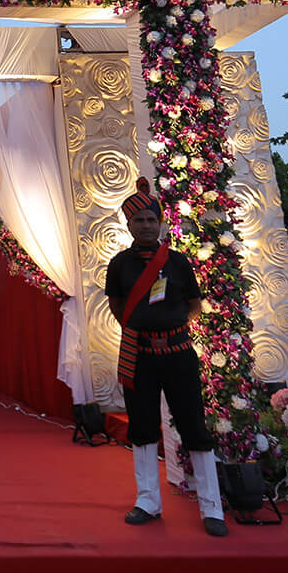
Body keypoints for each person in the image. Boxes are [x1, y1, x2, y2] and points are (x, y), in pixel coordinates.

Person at [103, 177, 228, 538]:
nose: (145, 225)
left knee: (194, 427)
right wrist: (145, 331)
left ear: (160, 223)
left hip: (178, 354)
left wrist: (167, 331)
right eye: (138, 220)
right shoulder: (119, 264)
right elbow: (116, 306)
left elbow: (193, 304)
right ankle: (147, 502)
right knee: (141, 428)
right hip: (137, 356)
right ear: (128, 224)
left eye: (151, 220)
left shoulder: (177, 262)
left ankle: (211, 508)